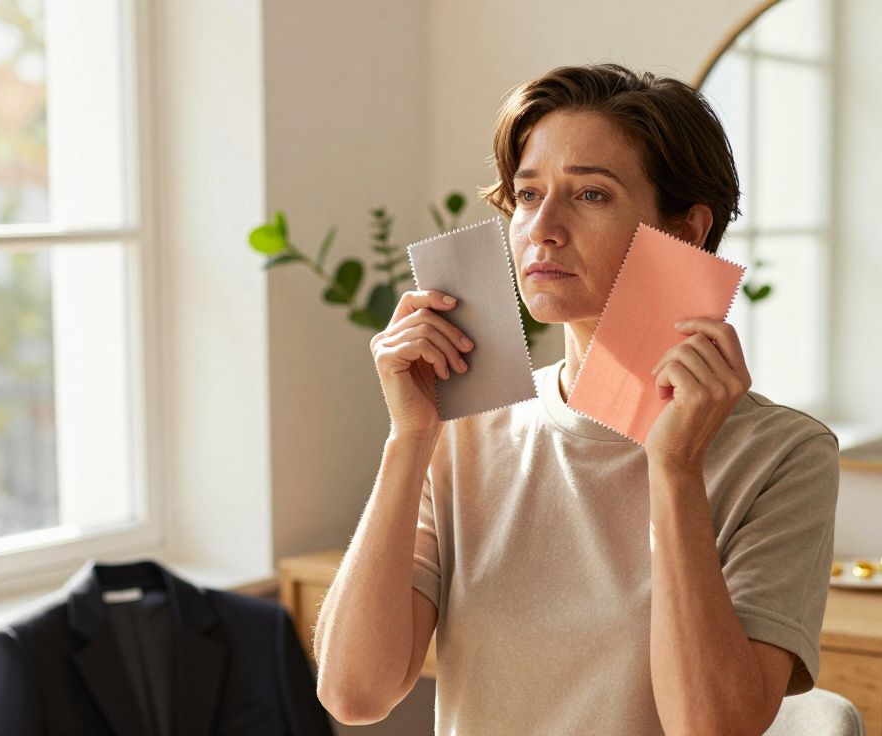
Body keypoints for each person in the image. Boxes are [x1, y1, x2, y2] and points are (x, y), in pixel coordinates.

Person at [312, 64, 839, 735]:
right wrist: (408, 439)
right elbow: (356, 695)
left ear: (686, 229)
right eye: (527, 196)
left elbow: (712, 728)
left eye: (590, 194)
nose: (544, 228)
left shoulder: (784, 455)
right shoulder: (467, 424)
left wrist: (673, 470)